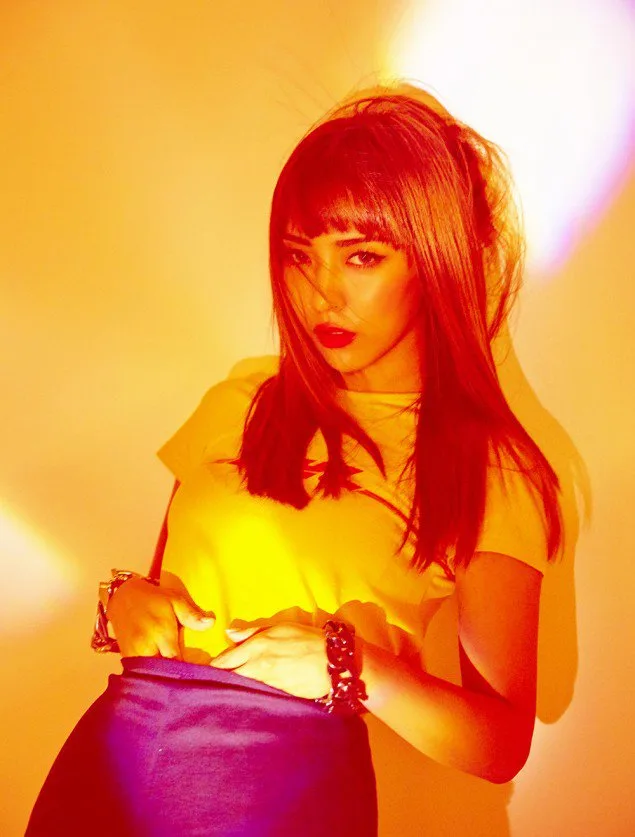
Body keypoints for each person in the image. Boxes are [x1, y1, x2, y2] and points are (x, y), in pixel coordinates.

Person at [27, 82, 562, 836]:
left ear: (434, 260)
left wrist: (351, 666)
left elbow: (500, 743)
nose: (321, 292)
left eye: (362, 256)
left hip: (283, 792)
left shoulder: (491, 469)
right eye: (299, 255)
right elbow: (160, 585)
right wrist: (123, 603)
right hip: (115, 763)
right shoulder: (242, 399)